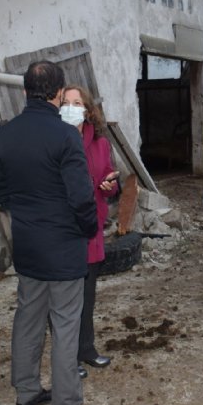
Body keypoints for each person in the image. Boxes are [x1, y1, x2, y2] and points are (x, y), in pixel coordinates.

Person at [0, 61, 112, 405]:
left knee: (27, 319)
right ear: (59, 94)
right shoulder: (65, 137)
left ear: (25, 91)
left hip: (28, 246)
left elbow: (0, 195)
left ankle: (26, 393)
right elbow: (81, 200)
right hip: (63, 250)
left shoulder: (3, 136)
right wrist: (88, 229)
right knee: (65, 328)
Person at [60, 85, 120, 379]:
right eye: (66, 102)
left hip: (91, 228)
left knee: (87, 295)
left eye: (77, 102)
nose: (71, 107)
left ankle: (86, 349)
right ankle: (67, 359)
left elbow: (109, 178)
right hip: (63, 230)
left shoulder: (100, 143)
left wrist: (110, 184)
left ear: (87, 109)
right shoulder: (54, 141)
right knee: (64, 301)